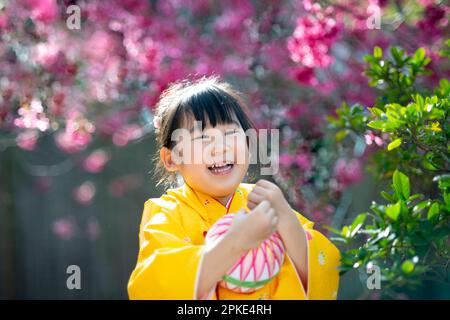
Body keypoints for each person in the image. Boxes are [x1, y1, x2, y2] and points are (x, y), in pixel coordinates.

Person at [127, 76, 340, 300]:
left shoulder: (266, 204)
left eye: (230, 133)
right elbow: (156, 285)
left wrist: (287, 221)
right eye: (202, 138)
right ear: (171, 158)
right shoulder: (166, 212)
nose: (220, 148)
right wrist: (235, 242)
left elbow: (323, 271)